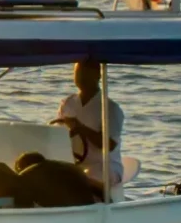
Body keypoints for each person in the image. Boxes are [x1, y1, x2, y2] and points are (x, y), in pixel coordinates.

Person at [53, 61, 128, 197]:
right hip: (75, 163)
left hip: (104, 166)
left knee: (85, 178)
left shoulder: (110, 108)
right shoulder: (68, 103)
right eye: (78, 73)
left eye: (85, 73)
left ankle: (101, 200)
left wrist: (81, 128)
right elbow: (58, 134)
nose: (81, 77)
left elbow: (109, 145)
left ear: (98, 75)